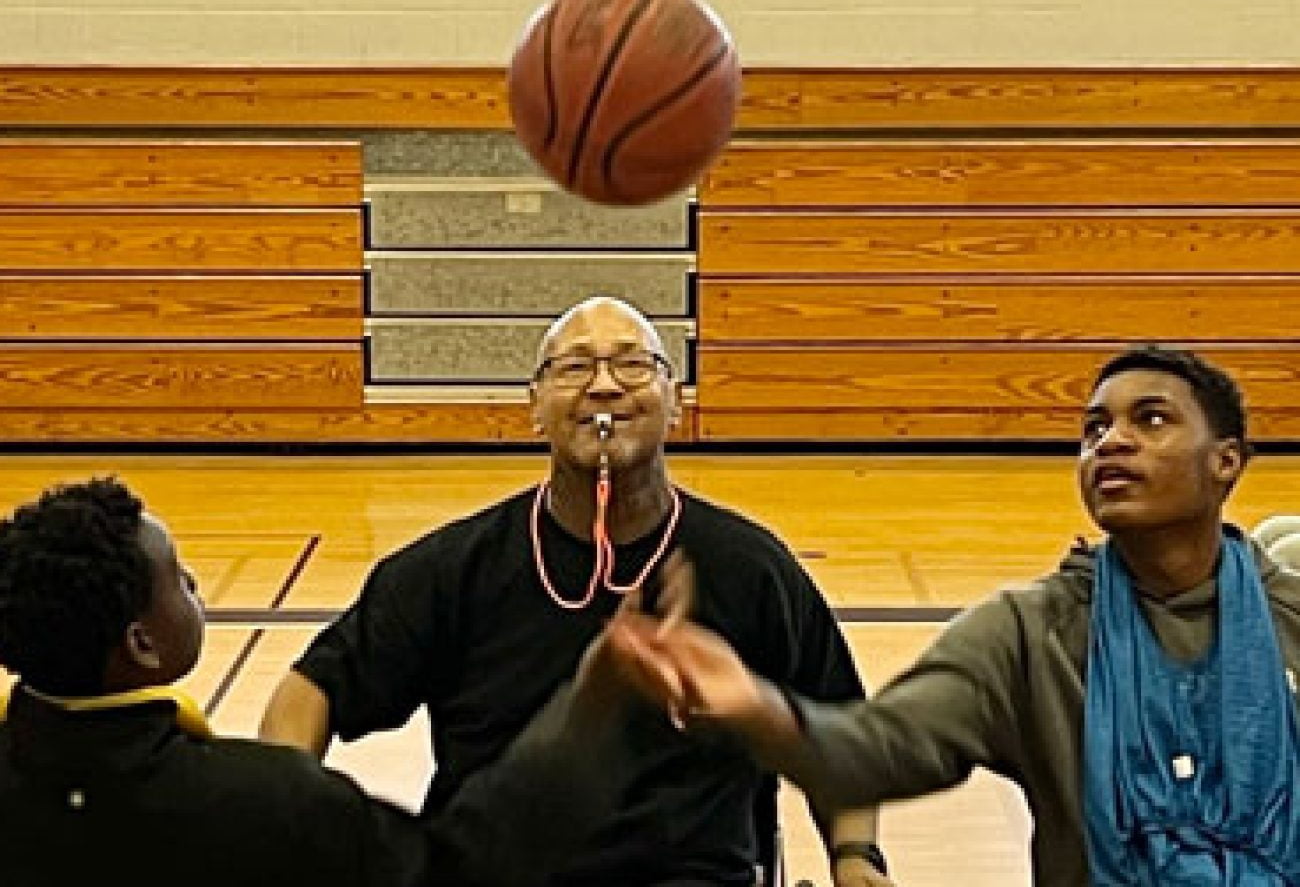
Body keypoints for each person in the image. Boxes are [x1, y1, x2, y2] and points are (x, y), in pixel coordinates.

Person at [606, 345, 1300, 886]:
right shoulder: (1029, 634)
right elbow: (874, 751)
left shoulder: (1287, 614)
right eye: (1094, 428)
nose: (1110, 442)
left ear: (1226, 461)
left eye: (1150, 419)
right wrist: (757, 705)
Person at [260, 296, 891, 887]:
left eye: (633, 364)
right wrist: (287, 834)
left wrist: (856, 858)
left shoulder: (753, 569)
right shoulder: (452, 570)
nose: (605, 385)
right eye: (575, 367)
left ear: (674, 402)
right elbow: (306, 693)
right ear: (534, 406)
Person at [0, 477, 640, 887]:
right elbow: (461, 866)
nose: (193, 584)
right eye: (178, 575)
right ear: (142, 644)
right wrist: (587, 710)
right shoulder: (267, 804)